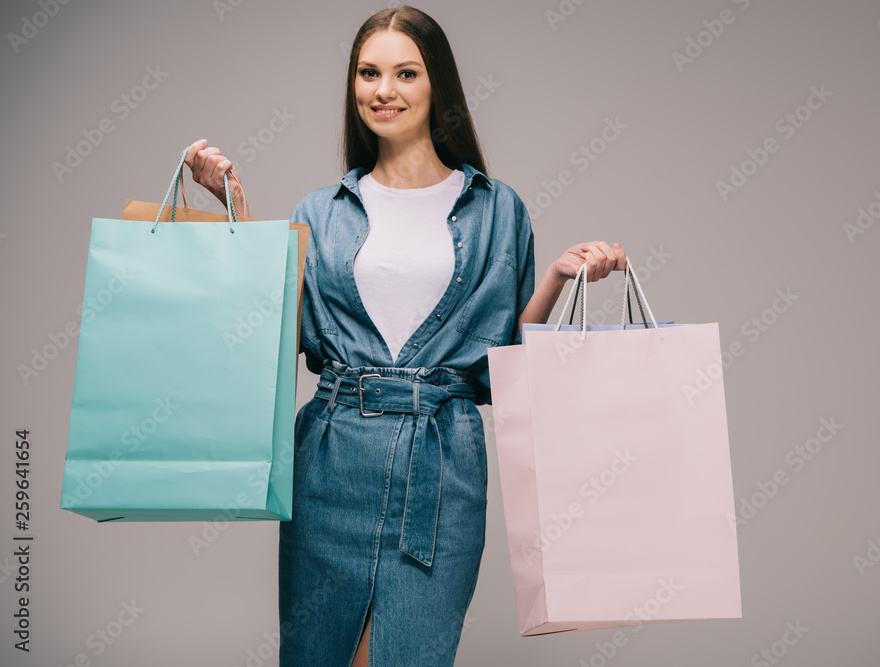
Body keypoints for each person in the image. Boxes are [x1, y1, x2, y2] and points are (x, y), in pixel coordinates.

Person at [185, 6, 627, 665]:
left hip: (442, 466)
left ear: (436, 86)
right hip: (332, 461)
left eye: (404, 72)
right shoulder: (321, 210)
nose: (383, 89)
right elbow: (282, 336)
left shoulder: (497, 208)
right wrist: (236, 207)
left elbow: (506, 370)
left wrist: (560, 277)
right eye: (368, 72)